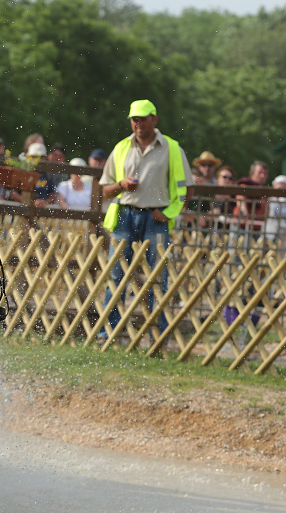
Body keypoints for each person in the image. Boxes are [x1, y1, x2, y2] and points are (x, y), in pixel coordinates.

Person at [98, 99, 193, 338]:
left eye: (143, 118)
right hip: (125, 215)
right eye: (135, 119)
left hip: (156, 217)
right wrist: (121, 185)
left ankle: (157, 333)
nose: (138, 123)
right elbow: (105, 190)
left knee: (157, 276)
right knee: (116, 274)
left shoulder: (172, 148)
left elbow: (186, 190)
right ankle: (110, 330)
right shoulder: (120, 148)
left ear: (155, 119)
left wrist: (169, 212)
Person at [265, 175, 286, 242]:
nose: (281, 192)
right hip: (269, 233)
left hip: (285, 235)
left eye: (284, 189)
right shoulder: (269, 199)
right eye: (279, 189)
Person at [27, 142, 56, 206]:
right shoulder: (23, 172)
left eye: (40, 157)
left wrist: (45, 202)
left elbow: (52, 195)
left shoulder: (48, 175)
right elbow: (13, 193)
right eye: (34, 156)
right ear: (28, 157)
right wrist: (31, 203)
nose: (37, 159)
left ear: (45, 157)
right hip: (22, 211)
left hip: (42, 211)